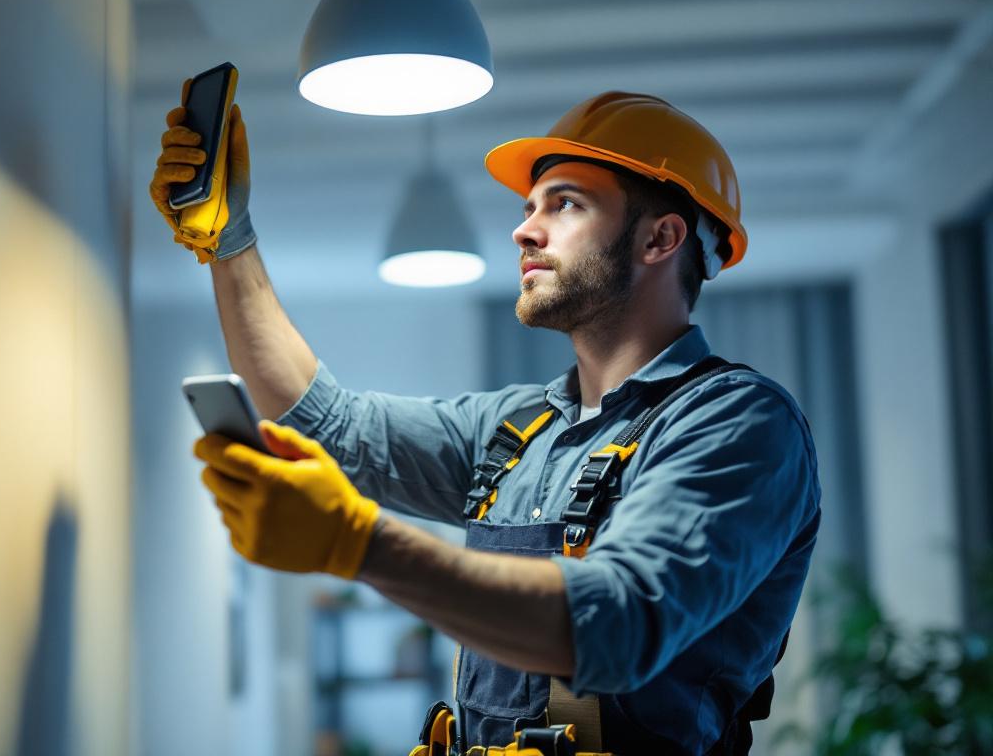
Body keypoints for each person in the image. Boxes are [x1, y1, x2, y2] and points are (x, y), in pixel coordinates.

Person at [149, 89, 820, 756]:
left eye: (565, 204)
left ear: (659, 238)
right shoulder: (515, 430)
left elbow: (617, 621)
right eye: (530, 207)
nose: (524, 230)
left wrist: (359, 545)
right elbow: (325, 424)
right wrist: (228, 238)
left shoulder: (739, 424)